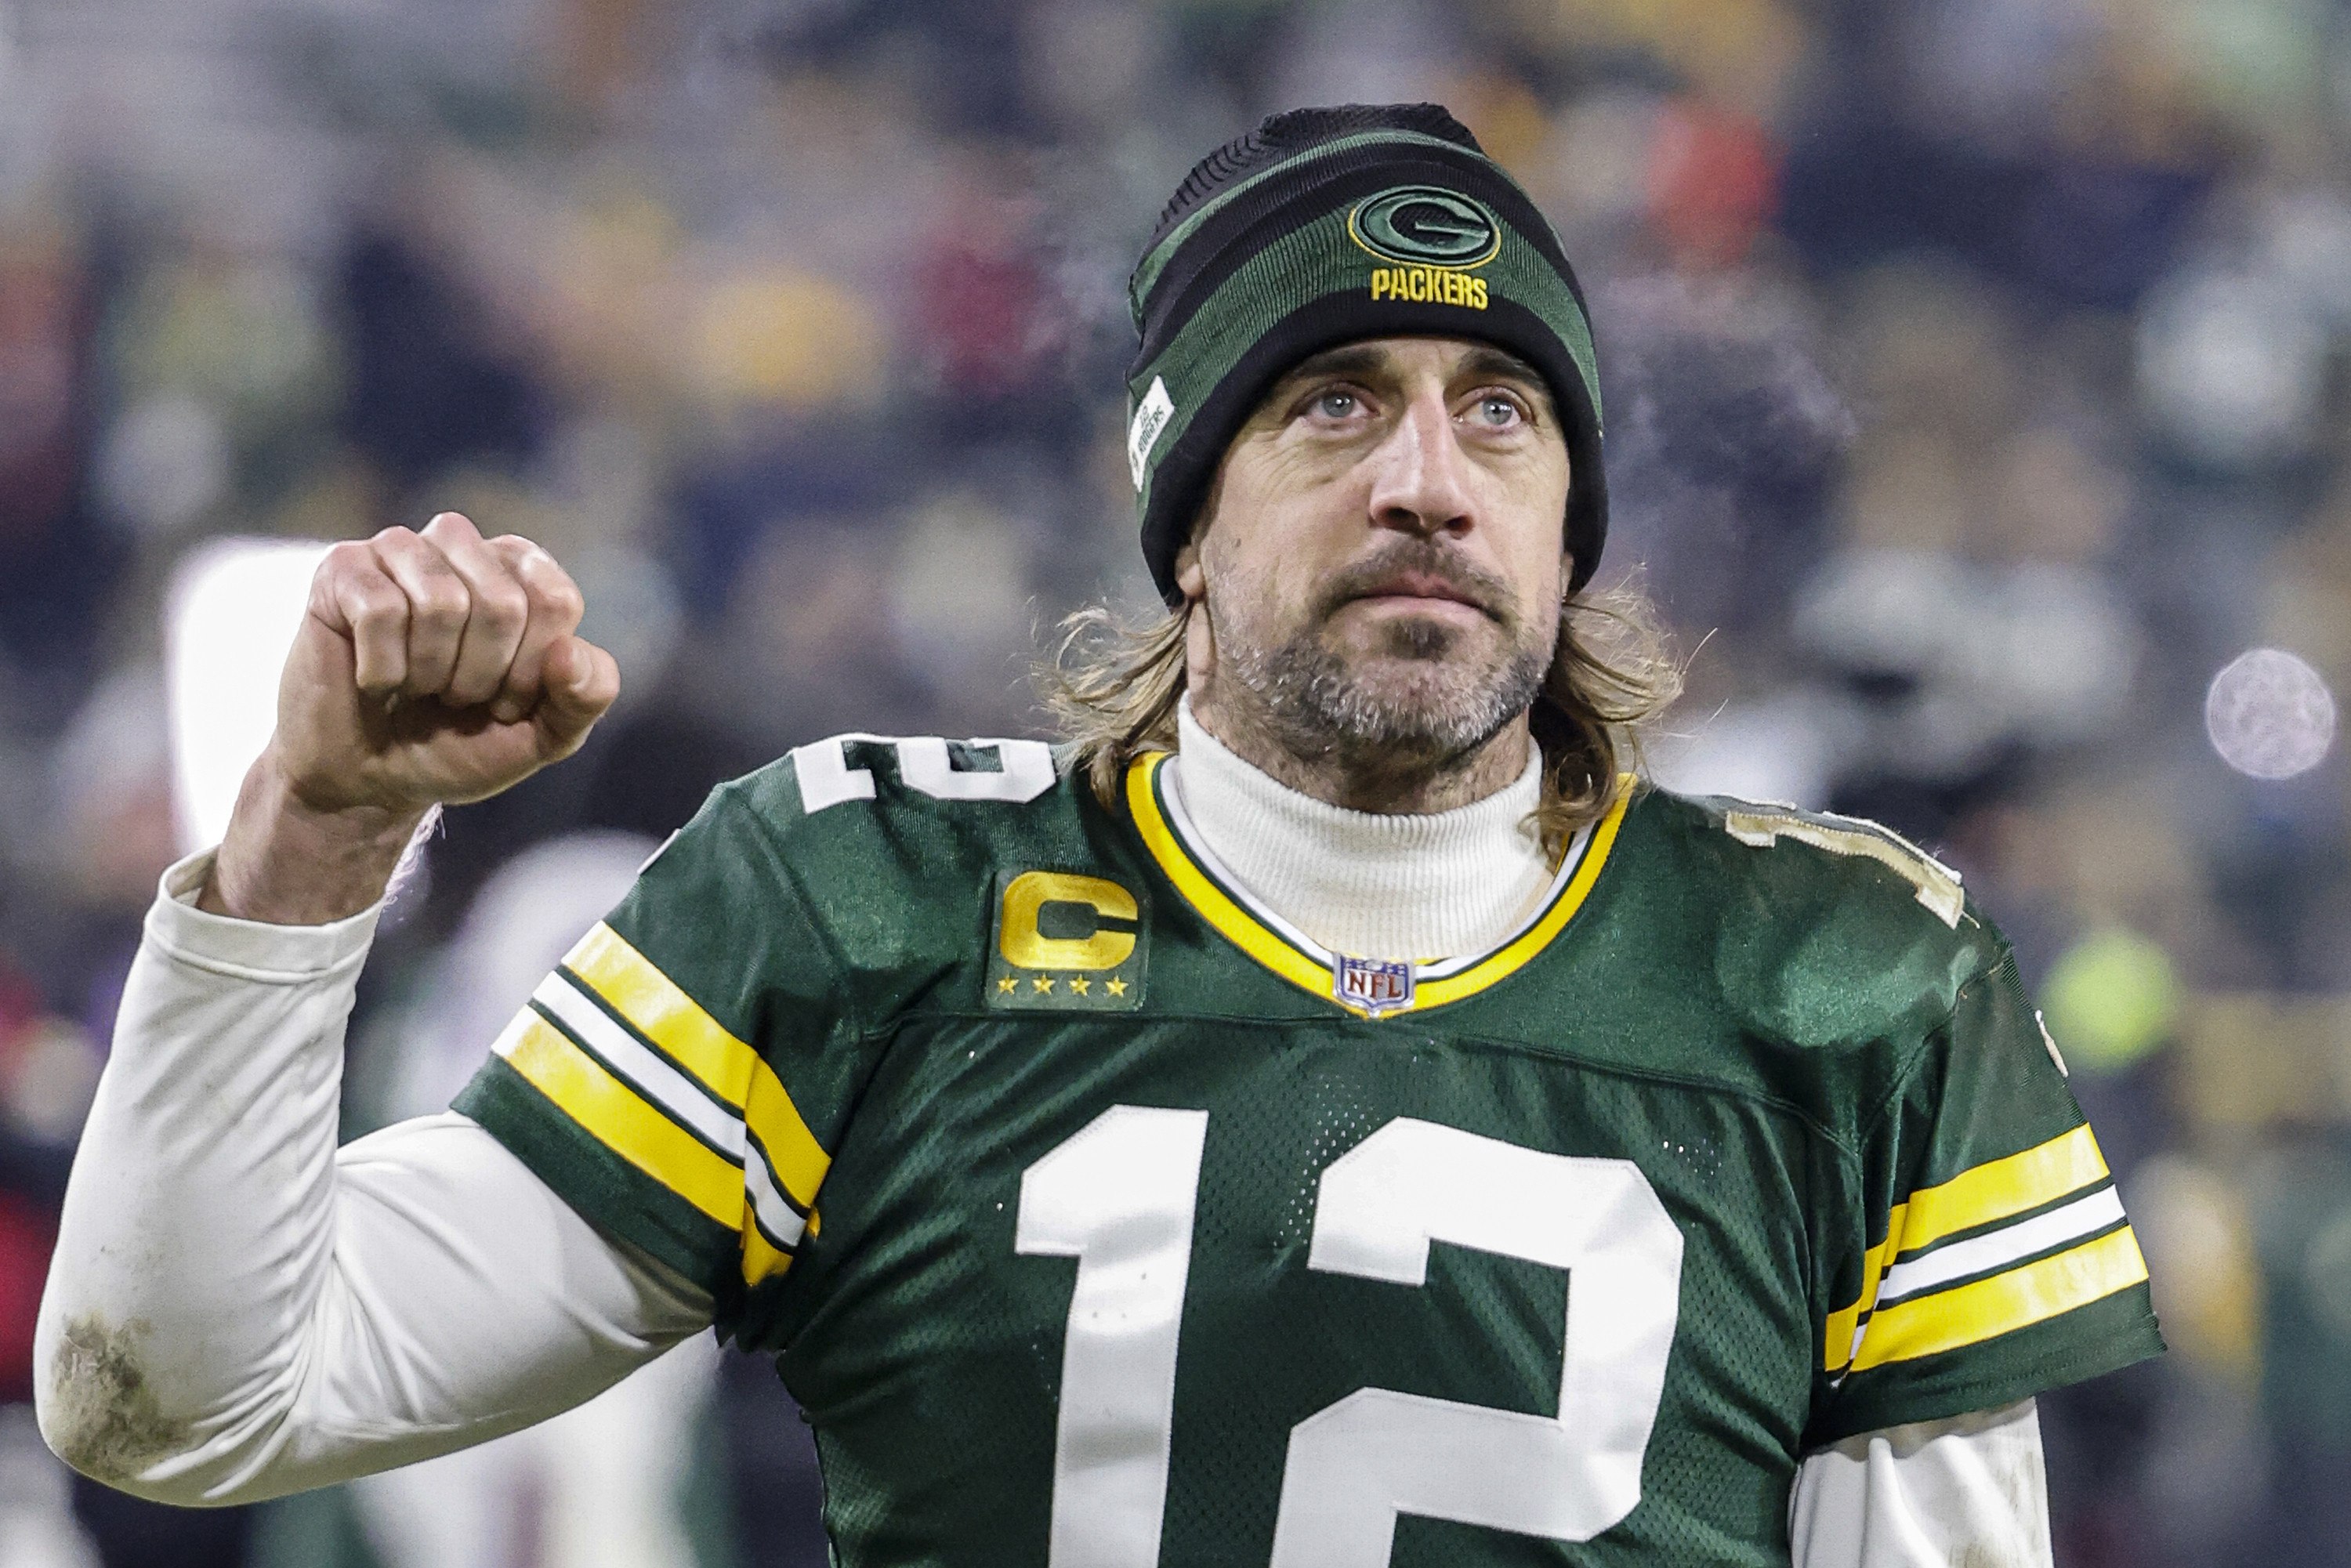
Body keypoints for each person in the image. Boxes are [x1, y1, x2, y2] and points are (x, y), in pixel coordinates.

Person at [35, 105, 2160, 1566]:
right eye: (1333, 401)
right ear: (1186, 516)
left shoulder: (1854, 979)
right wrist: (312, 836)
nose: (1430, 476)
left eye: (1499, 412)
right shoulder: (862, 907)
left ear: (1570, 511)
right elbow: (187, 1397)